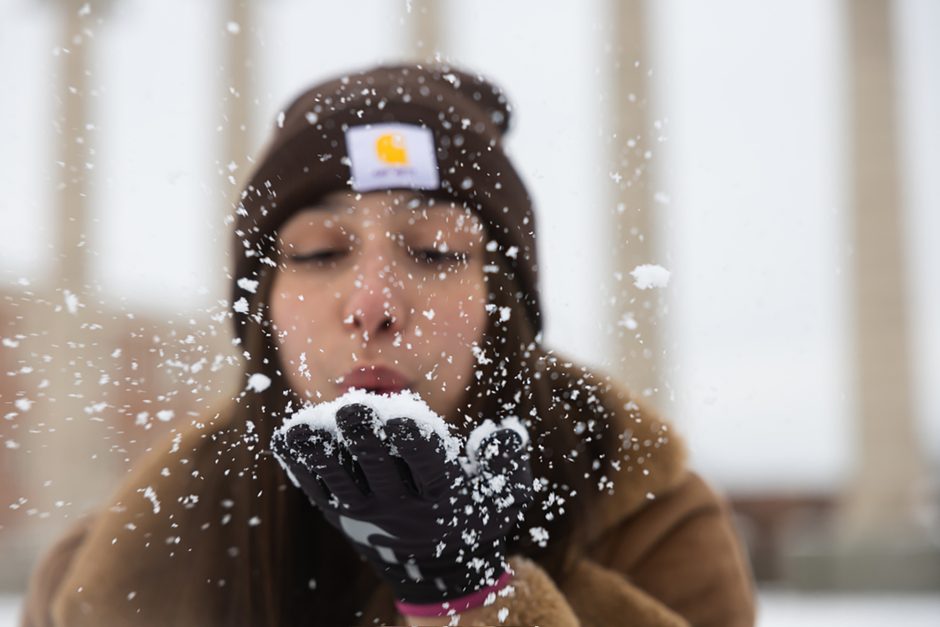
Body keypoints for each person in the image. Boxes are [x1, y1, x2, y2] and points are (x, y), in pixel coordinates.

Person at [21, 63, 756, 626]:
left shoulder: (652, 527)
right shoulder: (111, 571)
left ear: (505, 310)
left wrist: (471, 596)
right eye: (317, 252)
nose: (373, 304)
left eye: (434, 251)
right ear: (260, 318)